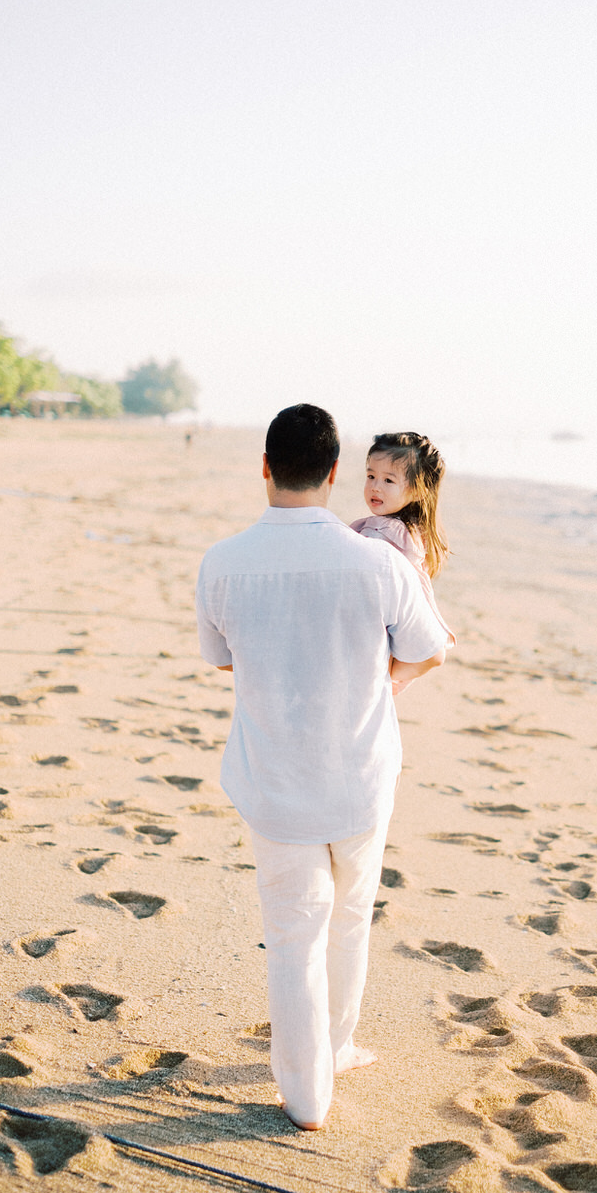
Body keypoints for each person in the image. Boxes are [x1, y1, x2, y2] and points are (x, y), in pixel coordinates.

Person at [195, 405, 446, 1131]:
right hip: (361, 776)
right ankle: (336, 1046)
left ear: (266, 468)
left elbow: (222, 658)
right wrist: (379, 681)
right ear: (336, 474)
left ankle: (306, 1094)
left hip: (273, 781)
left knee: (292, 933)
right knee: (350, 920)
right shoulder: (378, 561)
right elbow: (430, 646)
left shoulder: (223, 561)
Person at [350, 431, 456, 647]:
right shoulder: (414, 531)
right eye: (371, 476)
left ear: (418, 492)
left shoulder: (386, 534)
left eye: (388, 480)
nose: (375, 486)